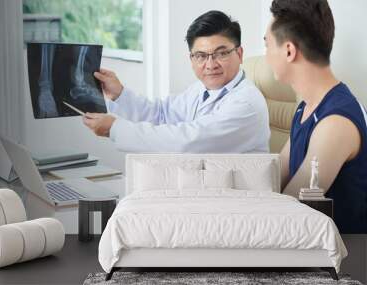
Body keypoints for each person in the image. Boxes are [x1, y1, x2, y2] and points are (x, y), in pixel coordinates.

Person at [83, 10, 270, 153]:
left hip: (236, 198)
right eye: (201, 55)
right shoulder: (200, 89)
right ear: (191, 59)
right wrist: (119, 94)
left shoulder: (246, 103)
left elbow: (187, 141)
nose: (210, 64)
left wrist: (114, 128)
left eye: (221, 53)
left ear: (239, 54)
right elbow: (161, 115)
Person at [264, 0, 367, 233]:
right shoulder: (306, 108)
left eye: (267, 44)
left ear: (289, 51)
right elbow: (274, 176)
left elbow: (292, 212)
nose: (266, 55)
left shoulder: (335, 123)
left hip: (341, 261)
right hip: (308, 249)